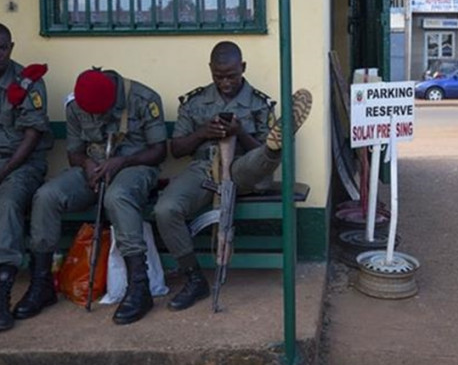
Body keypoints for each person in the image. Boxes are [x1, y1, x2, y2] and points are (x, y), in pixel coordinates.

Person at [155, 41, 312, 311]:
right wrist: (203, 133)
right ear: (210, 70)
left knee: (263, 156)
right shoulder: (195, 102)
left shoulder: (259, 103)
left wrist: (240, 132)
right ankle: (194, 278)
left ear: (243, 68)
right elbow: (177, 149)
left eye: (231, 75)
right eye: (219, 76)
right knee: (165, 209)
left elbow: (254, 148)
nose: (225, 82)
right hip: (203, 169)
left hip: (243, 169)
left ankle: (276, 144)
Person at [14, 68, 167, 325]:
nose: (95, 117)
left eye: (102, 112)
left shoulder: (143, 98)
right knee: (47, 196)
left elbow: (159, 151)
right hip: (93, 169)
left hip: (135, 167)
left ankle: (138, 286)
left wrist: (123, 161)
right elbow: (74, 153)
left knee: (117, 196)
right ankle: (41, 283)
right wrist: (86, 164)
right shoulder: (76, 104)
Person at [0, 23, 54, 332]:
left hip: (22, 165)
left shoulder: (28, 82)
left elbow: (32, 137)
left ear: (11, 47)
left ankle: (2, 291)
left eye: (2, 48)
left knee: (8, 203)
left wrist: (3, 171)